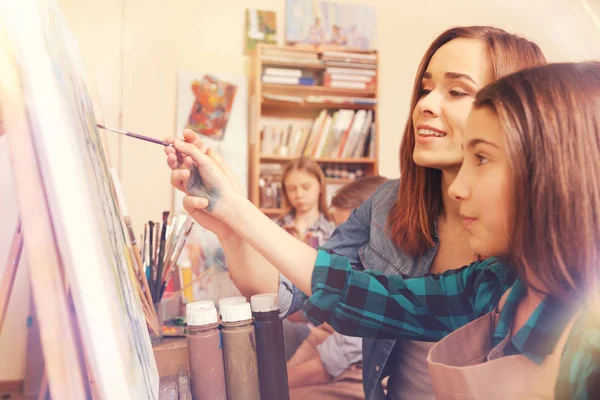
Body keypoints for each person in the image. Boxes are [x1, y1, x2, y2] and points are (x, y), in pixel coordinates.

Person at [172, 62, 600, 398]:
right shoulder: (490, 285)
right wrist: (231, 210)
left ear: (555, 168)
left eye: (482, 159)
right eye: (426, 85)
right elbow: (358, 293)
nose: (461, 187)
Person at [287, 176, 387, 400]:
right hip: (335, 343)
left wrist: (270, 385)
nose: (345, 244)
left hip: (355, 366)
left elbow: (329, 362)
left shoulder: (382, 279)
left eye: (353, 236)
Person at [276, 157, 335, 359]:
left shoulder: (336, 230)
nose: (299, 194)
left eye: (305, 187)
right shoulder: (275, 229)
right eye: (291, 189)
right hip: (283, 314)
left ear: (320, 187)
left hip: (324, 321)